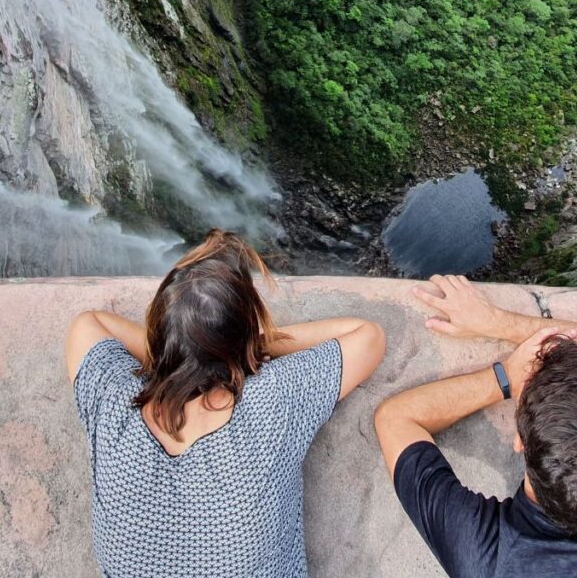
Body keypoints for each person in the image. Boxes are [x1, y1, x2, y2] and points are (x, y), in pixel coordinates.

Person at [65, 229, 385, 578]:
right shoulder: (270, 406)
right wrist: (250, 350)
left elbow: (89, 323)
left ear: (160, 333)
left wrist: (178, 355)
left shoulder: (112, 406)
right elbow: (368, 337)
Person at [374, 275, 577, 577]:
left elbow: (396, 418)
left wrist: (505, 376)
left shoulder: (491, 562)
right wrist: (493, 321)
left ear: (520, 441)